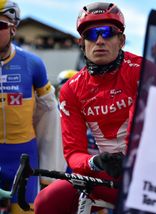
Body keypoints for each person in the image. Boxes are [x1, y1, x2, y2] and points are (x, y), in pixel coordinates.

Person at [34, 2, 146, 213]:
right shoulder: (71, 89)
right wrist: (96, 162)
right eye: (91, 34)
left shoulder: (142, 70)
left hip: (147, 174)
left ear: (121, 40)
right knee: (47, 200)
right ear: (81, 42)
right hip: (106, 176)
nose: (100, 40)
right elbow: (74, 152)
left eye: (108, 32)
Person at [0, 0, 65, 213]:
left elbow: (49, 115)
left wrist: (50, 170)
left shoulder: (32, 63)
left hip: (23, 157)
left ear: (13, 29)